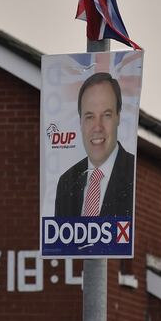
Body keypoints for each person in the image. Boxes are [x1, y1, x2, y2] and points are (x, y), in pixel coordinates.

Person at [55, 72, 135, 217]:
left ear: (118, 117)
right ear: (80, 122)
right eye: (90, 117)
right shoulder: (66, 183)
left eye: (106, 115)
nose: (97, 127)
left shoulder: (135, 173)